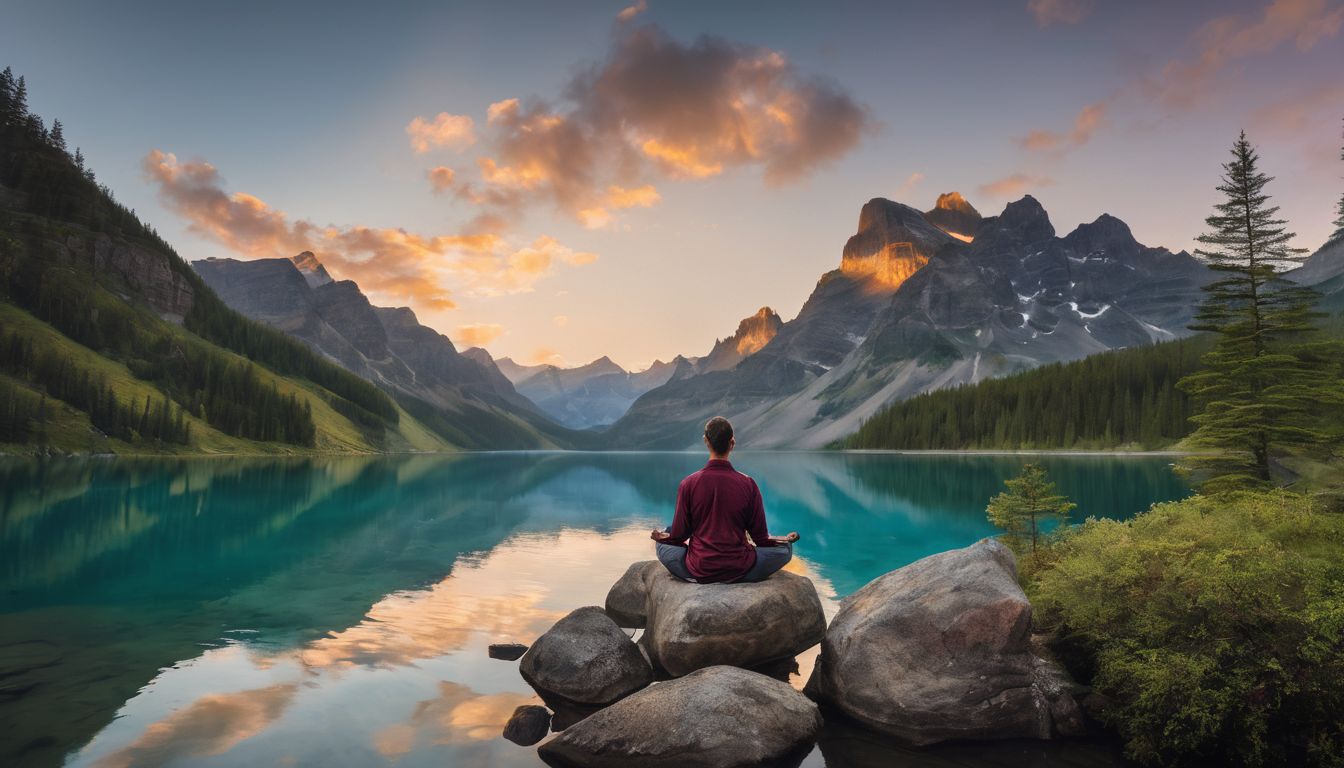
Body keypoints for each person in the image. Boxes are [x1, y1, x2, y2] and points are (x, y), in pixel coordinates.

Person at [651, 416, 800, 583]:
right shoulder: (748, 484)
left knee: (664, 540)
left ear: (706, 441)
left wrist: (662, 537)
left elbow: (679, 536)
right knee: (785, 550)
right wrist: (784, 540)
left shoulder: (688, 484)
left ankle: (693, 570)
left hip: (699, 568)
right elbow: (760, 539)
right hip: (741, 568)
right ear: (732, 443)